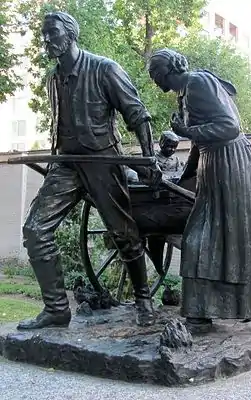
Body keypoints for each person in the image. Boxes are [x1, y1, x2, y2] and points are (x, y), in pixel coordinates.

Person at [17, 11, 161, 330]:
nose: (46, 39)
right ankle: (56, 309)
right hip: (66, 164)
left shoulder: (105, 69)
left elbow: (137, 114)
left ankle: (143, 300)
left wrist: (150, 158)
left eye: (52, 32)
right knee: (35, 230)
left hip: (102, 161)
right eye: (44, 34)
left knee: (123, 233)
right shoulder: (53, 78)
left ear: (70, 34)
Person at [148, 48, 251, 336]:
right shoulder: (185, 92)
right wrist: (181, 176)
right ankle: (201, 314)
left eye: (155, 74)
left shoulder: (198, 82)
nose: (154, 80)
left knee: (245, 243)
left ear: (168, 70)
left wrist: (185, 131)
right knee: (199, 241)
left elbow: (229, 127)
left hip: (234, 169)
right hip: (213, 173)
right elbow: (200, 143)